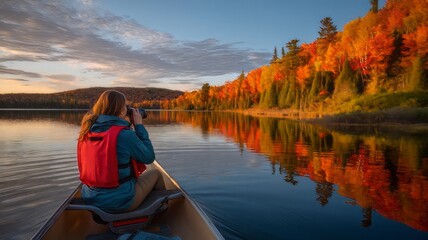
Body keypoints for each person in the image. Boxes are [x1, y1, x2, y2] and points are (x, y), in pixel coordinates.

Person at [77, 90, 164, 212]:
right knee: (156, 174)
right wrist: (139, 126)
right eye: (125, 107)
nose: (127, 110)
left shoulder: (86, 131)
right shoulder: (125, 135)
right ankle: (161, 213)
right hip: (120, 201)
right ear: (121, 110)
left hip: (89, 198)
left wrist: (126, 125)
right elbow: (149, 157)